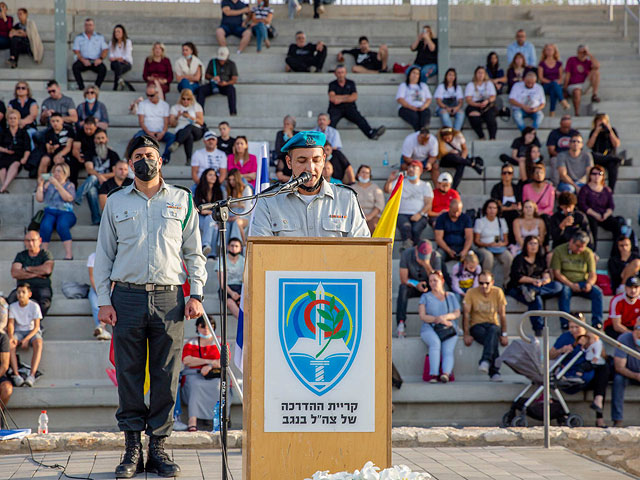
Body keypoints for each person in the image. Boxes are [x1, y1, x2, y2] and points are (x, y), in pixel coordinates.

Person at [94, 135, 207, 478]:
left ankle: (157, 447)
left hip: (169, 298)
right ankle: (131, 449)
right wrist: (103, 300)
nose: (146, 159)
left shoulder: (182, 199)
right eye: (139, 155)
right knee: (129, 374)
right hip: (125, 297)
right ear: (130, 163)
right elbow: (104, 256)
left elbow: (194, 253)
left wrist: (197, 294)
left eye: (151, 154)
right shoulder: (115, 202)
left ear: (161, 161)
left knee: (165, 375)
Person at [250, 131, 370, 238]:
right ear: (289, 162)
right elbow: (262, 254)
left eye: (316, 160)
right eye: (302, 161)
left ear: (324, 160)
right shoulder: (268, 200)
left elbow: (362, 249)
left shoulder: (347, 199)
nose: (310, 168)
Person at [550, 319, 609, 427]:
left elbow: (603, 356)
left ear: (584, 326)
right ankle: (599, 410)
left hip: (588, 374)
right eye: (571, 327)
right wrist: (561, 350)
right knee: (602, 374)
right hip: (570, 376)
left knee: (603, 370)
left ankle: (599, 412)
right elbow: (550, 354)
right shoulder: (566, 337)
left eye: (577, 327)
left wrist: (595, 343)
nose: (573, 330)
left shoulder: (590, 336)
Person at [508, 235, 563, 335]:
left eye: (535, 243)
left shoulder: (540, 259)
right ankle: (538, 330)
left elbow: (545, 273)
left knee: (558, 286)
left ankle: (535, 292)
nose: (533, 246)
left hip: (537, 286)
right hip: (521, 287)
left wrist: (545, 280)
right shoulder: (519, 259)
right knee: (535, 300)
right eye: (530, 243)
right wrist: (533, 281)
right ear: (526, 245)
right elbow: (517, 277)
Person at [551, 230, 603, 329]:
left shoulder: (588, 253)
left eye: (582, 246)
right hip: (566, 282)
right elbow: (557, 273)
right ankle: (565, 323)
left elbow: (593, 274)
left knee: (597, 293)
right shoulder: (559, 250)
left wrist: (589, 284)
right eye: (578, 246)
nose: (580, 249)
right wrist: (570, 284)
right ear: (571, 242)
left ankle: (597, 323)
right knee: (565, 291)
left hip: (583, 282)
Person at [463, 271, 508, 382]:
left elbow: (502, 314)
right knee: (492, 339)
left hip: (493, 324)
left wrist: (504, 334)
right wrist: (466, 334)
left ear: (492, 282)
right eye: (481, 283)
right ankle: (495, 372)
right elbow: (466, 314)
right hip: (477, 325)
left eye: (487, 283)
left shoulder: (498, 292)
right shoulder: (471, 292)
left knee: (492, 332)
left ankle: (485, 361)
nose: (484, 286)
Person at [180, 316, 221, 432]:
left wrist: (209, 366)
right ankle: (192, 421)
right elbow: (187, 360)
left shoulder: (220, 342)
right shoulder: (191, 342)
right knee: (195, 385)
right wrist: (209, 362)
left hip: (214, 375)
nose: (206, 329)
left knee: (219, 386)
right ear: (197, 327)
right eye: (203, 326)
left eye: (210, 326)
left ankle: (218, 420)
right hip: (193, 374)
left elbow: (223, 361)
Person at [419, 270, 460, 383]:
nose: (432, 283)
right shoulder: (425, 296)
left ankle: (446, 374)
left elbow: (457, 313)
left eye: (435, 280)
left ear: (442, 281)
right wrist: (439, 320)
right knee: (435, 343)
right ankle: (433, 374)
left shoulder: (450, 296)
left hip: (448, 328)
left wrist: (445, 317)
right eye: (430, 281)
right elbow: (422, 316)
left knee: (448, 350)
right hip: (429, 327)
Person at [396, 240, 441, 337]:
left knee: (437, 288)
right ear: (416, 250)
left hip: (429, 285)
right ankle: (401, 323)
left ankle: (436, 322)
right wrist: (416, 284)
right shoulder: (406, 254)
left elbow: (438, 280)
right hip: (413, 285)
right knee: (402, 288)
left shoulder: (436, 256)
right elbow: (404, 279)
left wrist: (427, 265)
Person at [327, 65, 386, 140]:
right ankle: (328, 142)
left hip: (349, 108)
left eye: (342, 72)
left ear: (345, 73)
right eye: (339, 73)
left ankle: (371, 133)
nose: (341, 75)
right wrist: (348, 97)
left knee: (360, 119)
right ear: (335, 74)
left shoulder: (351, 83)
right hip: (335, 109)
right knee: (331, 123)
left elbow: (354, 97)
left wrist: (340, 98)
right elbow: (333, 99)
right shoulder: (332, 84)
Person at [384, 161, 433, 249]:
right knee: (406, 228)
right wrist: (389, 181)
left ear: (420, 171)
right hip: (402, 214)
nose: (410, 169)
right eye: (409, 167)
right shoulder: (401, 182)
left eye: (414, 167)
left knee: (415, 229)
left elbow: (428, 203)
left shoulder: (425, 185)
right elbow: (387, 190)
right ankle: (410, 249)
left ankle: (412, 250)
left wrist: (420, 214)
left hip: (420, 215)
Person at [75, 128, 120, 224]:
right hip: (94, 183)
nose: (100, 141)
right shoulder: (90, 153)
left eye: (102, 138)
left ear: (106, 139)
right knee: (91, 187)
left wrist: (101, 176)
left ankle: (77, 196)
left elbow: (115, 172)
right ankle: (96, 219)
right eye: (98, 138)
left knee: (93, 177)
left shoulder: (113, 154)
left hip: (108, 184)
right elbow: (89, 169)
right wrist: (99, 176)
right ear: (94, 140)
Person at [8, 231, 54, 319]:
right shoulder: (21, 255)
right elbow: (15, 273)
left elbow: (47, 270)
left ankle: (36, 325)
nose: (30, 243)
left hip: (42, 287)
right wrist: (37, 274)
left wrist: (27, 269)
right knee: (10, 301)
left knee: (45, 303)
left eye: (33, 240)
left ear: (40, 241)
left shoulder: (45, 254)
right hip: (23, 287)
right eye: (28, 241)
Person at [36, 163, 76, 260]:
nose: (56, 173)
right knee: (45, 226)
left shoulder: (69, 185)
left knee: (62, 225)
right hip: (50, 212)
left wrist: (57, 184)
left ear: (65, 173)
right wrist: (40, 185)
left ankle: (69, 255)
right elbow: (39, 199)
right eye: (54, 171)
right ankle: (43, 254)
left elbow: (68, 198)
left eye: (59, 171)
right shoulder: (48, 185)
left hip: (66, 212)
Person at [578, 165, 621, 251]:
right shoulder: (585, 189)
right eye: (594, 173)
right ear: (590, 175)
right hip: (591, 214)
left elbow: (611, 206)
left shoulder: (606, 190)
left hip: (603, 215)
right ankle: (592, 251)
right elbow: (582, 205)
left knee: (617, 225)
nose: (597, 176)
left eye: (600, 173)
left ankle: (616, 252)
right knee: (591, 224)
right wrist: (595, 214)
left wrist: (606, 214)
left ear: (603, 176)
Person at [8, 283, 43, 388]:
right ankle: (16, 375)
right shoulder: (13, 307)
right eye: (18, 292)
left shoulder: (34, 306)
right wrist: (11, 337)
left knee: (39, 343)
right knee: (10, 345)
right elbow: (11, 324)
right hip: (18, 332)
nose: (20, 295)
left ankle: (32, 375)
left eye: (23, 292)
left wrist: (26, 339)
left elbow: (37, 327)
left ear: (29, 294)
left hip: (31, 331)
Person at [473, 199, 513, 286]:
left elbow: (506, 241)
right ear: (486, 209)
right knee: (488, 258)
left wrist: (500, 244)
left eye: (494, 208)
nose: (492, 210)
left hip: (498, 248)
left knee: (508, 257)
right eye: (490, 208)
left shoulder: (501, 222)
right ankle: (485, 282)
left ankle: (506, 282)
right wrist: (488, 244)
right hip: (484, 247)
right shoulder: (480, 221)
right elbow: (476, 241)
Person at [135, 84, 175, 163]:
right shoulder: (143, 104)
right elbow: (141, 122)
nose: (149, 97)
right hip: (147, 132)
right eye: (148, 95)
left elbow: (166, 122)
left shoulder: (164, 105)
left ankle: (165, 157)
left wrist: (163, 133)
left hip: (160, 132)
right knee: (137, 137)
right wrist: (149, 133)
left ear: (157, 93)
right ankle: (139, 158)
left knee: (173, 138)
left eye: (152, 95)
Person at [611, 317, 640, 427]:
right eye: (637, 329)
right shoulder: (624, 339)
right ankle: (617, 420)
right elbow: (619, 367)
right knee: (618, 379)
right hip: (628, 373)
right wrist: (636, 375)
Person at [197, 47, 238, 116]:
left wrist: (226, 83)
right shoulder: (212, 62)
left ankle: (233, 112)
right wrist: (213, 78)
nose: (221, 61)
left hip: (225, 85)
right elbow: (207, 75)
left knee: (232, 90)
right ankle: (200, 112)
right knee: (201, 90)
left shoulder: (231, 64)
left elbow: (234, 79)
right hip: (213, 84)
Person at [586, 113, 622, 192]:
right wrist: (596, 132)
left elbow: (616, 144)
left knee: (613, 164)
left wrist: (610, 131)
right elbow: (589, 145)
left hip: (609, 159)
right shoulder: (594, 132)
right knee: (592, 155)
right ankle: (615, 158)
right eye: (599, 121)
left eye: (603, 121)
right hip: (597, 158)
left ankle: (610, 190)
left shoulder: (612, 130)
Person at [168, 89, 204, 165]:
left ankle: (177, 142)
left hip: (196, 129)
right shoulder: (175, 108)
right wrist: (177, 116)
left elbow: (201, 122)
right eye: (183, 99)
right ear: (180, 98)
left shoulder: (196, 106)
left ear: (192, 99)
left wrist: (190, 117)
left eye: (188, 99)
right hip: (181, 131)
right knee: (189, 136)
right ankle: (189, 159)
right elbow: (172, 124)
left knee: (189, 126)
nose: (185, 101)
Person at [194, 168, 224, 258]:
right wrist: (208, 212)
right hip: (200, 218)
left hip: (213, 218)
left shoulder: (218, 190)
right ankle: (212, 253)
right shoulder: (198, 189)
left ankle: (206, 246)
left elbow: (220, 207)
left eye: (214, 175)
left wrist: (209, 212)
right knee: (212, 223)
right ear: (205, 176)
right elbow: (199, 208)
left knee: (213, 224)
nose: (213, 177)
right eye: (210, 175)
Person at [72, 18, 108, 90]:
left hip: (95, 61)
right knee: (75, 67)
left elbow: (105, 50)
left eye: (90, 25)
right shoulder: (79, 37)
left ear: (93, 26)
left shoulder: (99, 37)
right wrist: (83, 60)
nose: (88, 27)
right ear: (84, 26)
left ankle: (96, 88)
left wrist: (100, 59)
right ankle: (81, 87)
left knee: (103, 69)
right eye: (86, 25)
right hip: (84, 60)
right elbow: (76, 51)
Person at [36, 112, 74, 181]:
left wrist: (59, 154)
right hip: (52, 153)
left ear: (62, 121)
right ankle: (40, 184)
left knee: (59, 159)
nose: (55, 123)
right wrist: (52, 148)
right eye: (53, 121)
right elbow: (48, 150)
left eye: (57, 121)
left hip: (64, 153)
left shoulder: (69, 130)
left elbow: (68, 147)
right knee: (44, 160)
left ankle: (60, 184)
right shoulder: (48, 132)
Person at [564, 45, 601, 115]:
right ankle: (577, 113)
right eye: (581, 52)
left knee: (596, 72)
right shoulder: (571, 60)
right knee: (577, 91)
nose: (583, 54)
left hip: (584, 84)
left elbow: (597, 66)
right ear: (577, 52)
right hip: (573, 85)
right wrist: (565, 88)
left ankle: (594, 95)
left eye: (584, 52)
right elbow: (567, 74)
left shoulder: (588, 62)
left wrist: (589, 55)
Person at [0, 109, 30, 193]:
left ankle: (4, 187)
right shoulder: (4, 132)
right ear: (7, 120)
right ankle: (4, 186)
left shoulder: (23, 133)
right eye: (10, 118)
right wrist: (5, 150)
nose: (13, 120)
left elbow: (27, 148)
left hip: (18, 155)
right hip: (5, 154)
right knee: (2, 167)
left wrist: (25, 158)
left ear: (18, 120)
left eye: (14, 118)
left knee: (15, 164)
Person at [434, 199, 474, 263]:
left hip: (462, 246)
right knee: (437, 256)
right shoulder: (441, 218)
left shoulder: (466, 218)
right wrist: (448, 250)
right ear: (449, 208)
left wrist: (465, 250)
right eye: (453, 212)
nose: (456, 214)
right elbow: (438, 238)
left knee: (473, 257)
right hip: (445, 247)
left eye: (458, 212)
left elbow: (469, 237)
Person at [490, 164, 522, 243]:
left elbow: (520, 203)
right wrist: (510, 207)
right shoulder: (497, 188)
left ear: (512, 175)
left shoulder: (516, 188)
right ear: (501, 174)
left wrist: (516, 207)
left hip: (515, 215)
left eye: (509, 173)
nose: (507, 175)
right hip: (501, 214)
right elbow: (496, 205)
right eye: (504, 173)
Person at [464, 66, 498, 140]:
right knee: (473, 116)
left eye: (482, 73)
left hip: (487, 103)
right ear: (475, 74)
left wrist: (487, 101)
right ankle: (481, 136)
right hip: (474, 104)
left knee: (490, 117)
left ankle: (492, 137)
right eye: (479, 73)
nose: (480, 75)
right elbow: (468, 99)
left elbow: (493, 97)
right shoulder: (471, 85)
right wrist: (477, 105)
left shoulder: (489, 84)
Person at [538, 43, 570, 117]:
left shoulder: (558, 63)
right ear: (544, 51)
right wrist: (551, 82)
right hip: (545, 85)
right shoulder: (542, 64)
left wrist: (556, 82)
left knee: (554, 89)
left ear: (554, 51)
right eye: (547, 49)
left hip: (556, 85)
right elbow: (541, 78)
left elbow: (561, 77)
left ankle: (552, 112)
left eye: (551, 49)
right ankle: (562, 101)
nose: (549, 51)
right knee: (554, 85)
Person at [395, 66, 432, 131]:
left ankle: (423, 132)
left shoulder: (423, 85)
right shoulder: (403, 85)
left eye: (417, 74)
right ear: (409, 75)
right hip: (406, 108)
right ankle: (421, 134)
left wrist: (424, 106)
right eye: (413, 73)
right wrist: (411, 107)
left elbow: (429, 99)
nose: (415, 75)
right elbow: (400, 99)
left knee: (426, 115)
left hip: (421, 107)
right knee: (415, 117)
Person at [217, 238, 245, 319]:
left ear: (240, 248)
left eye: (236, 246)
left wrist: (241, 294)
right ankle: (243, 322)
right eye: (232, 246)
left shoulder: (244, 261)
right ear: (228, 247)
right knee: (229, 302)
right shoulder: (222, 260)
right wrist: (232, 293)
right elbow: (222, 282)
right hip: (227, 288)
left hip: (241, 287)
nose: (234, 248)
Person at [351, 164, 384, 234]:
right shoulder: (352, 188)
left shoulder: (375, 188)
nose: (365, 175)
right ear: (358, 174)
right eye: (363, 172)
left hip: (373, 216)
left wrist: (369, 216)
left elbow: (379, 205)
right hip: (356, 216)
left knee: (373, 227)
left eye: (367, 173)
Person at [604, 276, 640, 340]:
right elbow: (616, 325)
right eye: (630, 287)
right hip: (614, 327)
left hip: (632, 326)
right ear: (625, 288)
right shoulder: (617, 300)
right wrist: (632, 334)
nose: (633, 290)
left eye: (636, 287)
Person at [87, 252, 112, 341]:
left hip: (111, 287)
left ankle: (101, 327)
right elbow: (92, 277)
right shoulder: (92, 257)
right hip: (96, 288)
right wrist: (101, 292)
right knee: (95, 303)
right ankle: (102, 328)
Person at [225, 168, 253, 243]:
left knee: (236, 223)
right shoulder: (228, 190)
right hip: (231, 215)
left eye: (233, 179)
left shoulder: (246, 189)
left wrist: (238, 216)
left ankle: (237, 246)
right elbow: (226, 207)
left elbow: (248, 209)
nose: (231, 182)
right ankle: (225, 249)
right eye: (230, 180)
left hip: (244, 215)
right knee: (224, 224)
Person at [9, 81, 38, 147]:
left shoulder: (32, 102)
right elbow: (9, 115)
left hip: (29, 127)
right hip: (15, 127)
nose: (20, 90)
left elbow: (32, 116)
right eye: (18, 88)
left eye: (23, 88)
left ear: (27, 90)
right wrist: (18, 124)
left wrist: (22, 123)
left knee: (28, 133)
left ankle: (30, 154)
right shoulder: (12, 102)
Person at [108, 24, 134, 91]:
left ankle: (115, 87)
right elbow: (111, 57)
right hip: (115, 64)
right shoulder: (111, 43)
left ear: (123, 33)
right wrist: (118, 59)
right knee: (117, 65)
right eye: (115, 32)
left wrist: (116, 58)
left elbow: (127, 56)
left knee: (118, 67)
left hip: (126, 64)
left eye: (118, 31)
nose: (117, 33)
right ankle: (120, 82)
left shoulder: (128, 42)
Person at [274, 115, 298, 181]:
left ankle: (292, 179)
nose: (285, 126)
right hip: (283, 158)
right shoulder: (280, 134)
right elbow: (278, 151)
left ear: (292, 126)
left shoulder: (297, 134)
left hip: (293, 158)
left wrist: (291, 138)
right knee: (281, 160)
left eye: (288, 124)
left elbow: (296, 149)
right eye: (284, 124)